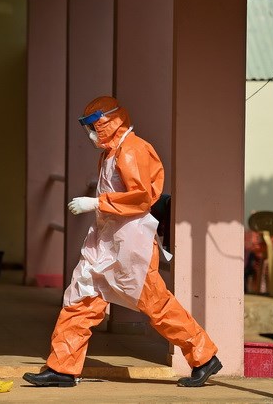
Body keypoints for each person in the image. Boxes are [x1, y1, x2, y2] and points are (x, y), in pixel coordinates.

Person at [23, 96, 221, 388]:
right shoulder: (111, 151)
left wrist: (96, 203)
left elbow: (141, 198)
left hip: (132, 243)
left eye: (94, 126)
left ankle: (204, 357)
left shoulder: (132, 150)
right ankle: (62, 368)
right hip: (107, 240)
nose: (91, 133)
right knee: (80, 297)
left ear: (111, 121)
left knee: (157, 305)